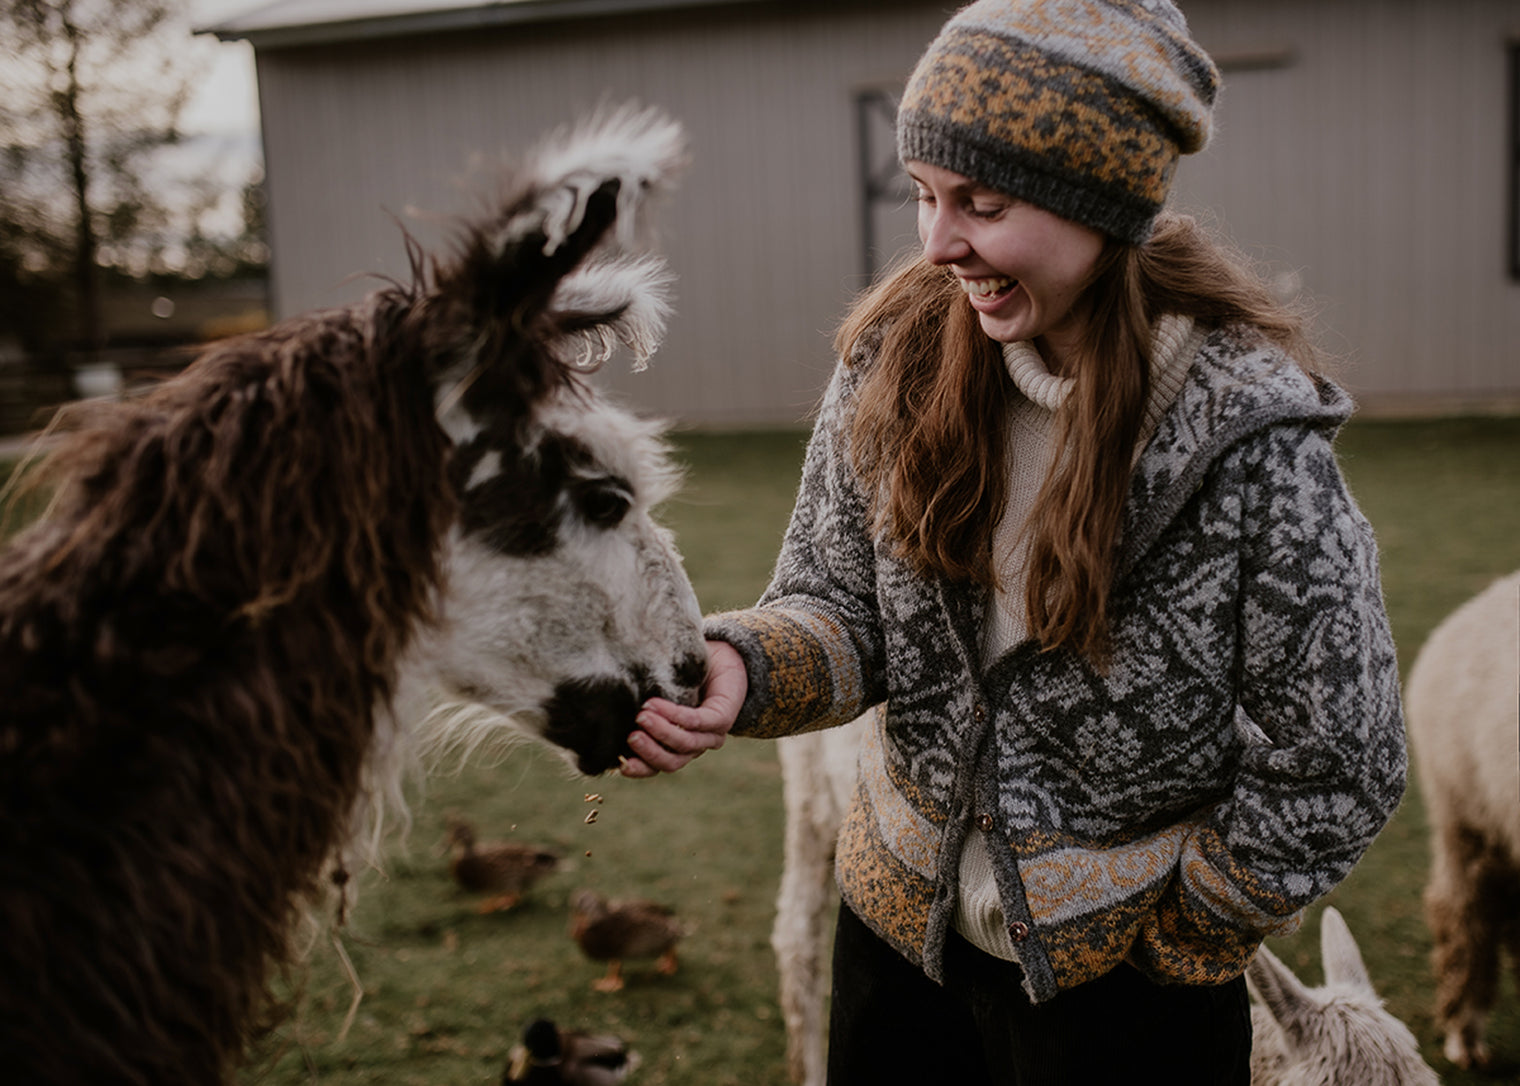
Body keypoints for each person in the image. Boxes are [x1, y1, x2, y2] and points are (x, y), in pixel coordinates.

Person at [622, 1, 1407, 1082]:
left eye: (981, 206)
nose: (939, 244)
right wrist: (742, 667)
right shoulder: (892, 365)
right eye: (924, 197)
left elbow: (1338, 755)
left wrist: (1188, 940)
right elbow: (838, 609)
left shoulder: (1249, 443)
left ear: (1102, 202)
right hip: (893, 954)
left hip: (1124, 1004)